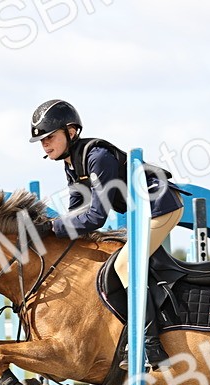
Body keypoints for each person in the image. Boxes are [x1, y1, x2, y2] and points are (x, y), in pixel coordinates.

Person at [29, 98, 183, 371]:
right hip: (142, 214)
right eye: (42, 140)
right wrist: (52, 229)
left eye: (50, 137)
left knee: (125, 266)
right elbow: (77, 210)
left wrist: (52, 228)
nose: (45, 144)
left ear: (71, 132)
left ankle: (150, 347)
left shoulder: (97, 156)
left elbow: (95, 217)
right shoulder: (72, 163)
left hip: (160, 208)